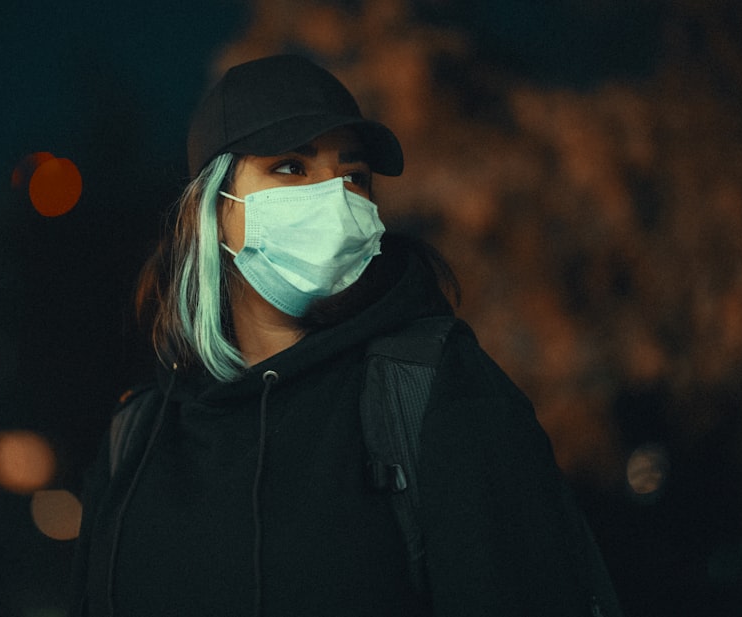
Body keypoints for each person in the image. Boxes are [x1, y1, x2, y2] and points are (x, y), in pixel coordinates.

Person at [69, 54, 619, 617]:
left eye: (353, 175)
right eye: (290, 167)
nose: (334, 199)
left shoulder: (434, 395)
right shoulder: (137, 436)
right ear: (212, 211)